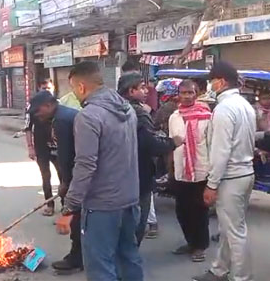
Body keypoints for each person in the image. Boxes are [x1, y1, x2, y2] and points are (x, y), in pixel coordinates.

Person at [55, 61, 143, 281]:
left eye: (73, 88)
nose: (74, 94)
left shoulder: (88, 116)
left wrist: (69, 208)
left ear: (82, 87)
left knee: (100, 266)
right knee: (129, 257)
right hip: (130, 200)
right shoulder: (128, 109)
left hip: (102, 206)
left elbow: (85, 165)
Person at [193, 61, 256, 281]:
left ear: (220, 81)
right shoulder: (245, 105)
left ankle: (241, 277)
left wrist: (211, 184)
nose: (211, 86)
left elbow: (221, 151)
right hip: (245, 173)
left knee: (235, 232)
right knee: (229, 228)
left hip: (231, 176)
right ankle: (219, 269)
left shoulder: (224, 109)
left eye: (212, 81)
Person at [117, 72, 176, 246]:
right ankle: (129, 259)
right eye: (142, 87)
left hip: (118, 173)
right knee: (137, 221)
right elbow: (150, 144)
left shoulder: (113, 108)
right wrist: (172, 143)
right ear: (131, 90)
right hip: (139, 172)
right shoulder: (136, 113)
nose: (146, 91)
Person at [28, 91, 83, 274]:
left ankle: (77, 258)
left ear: (50, 105)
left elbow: (67, 155)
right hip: (81, 173)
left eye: (38, 110)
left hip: (81, 174)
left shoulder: (62, 120)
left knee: (76, 216)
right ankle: (80, 255)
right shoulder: (60, 116)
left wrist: (66, 182)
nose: (37, 115)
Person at [169, 80, 212, 262]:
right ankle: (190, 242)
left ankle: (200, 246)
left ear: (197, 94)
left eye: (190, 93)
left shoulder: (207, 117)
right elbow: (172, 145)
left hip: (201, 170)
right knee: (182, 211)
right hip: (181, 171)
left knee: (199, 211)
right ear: (178, 94)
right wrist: (170, 170)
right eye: (183, 93)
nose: (186, 96)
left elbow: (212, 144)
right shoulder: (174, 117)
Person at [25, 79, 61, 216]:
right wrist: (30, 147)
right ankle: (49, 204)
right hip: (41, 146)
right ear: (39, 89)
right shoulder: (32, 108)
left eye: (49, 88)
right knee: (46, 176)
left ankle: (66, 205)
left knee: (62, 175)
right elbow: (27, 128)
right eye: (44, 88)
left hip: (57, 147)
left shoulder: (58, 106)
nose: (47, 90)